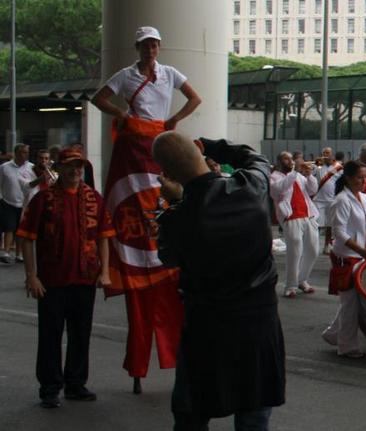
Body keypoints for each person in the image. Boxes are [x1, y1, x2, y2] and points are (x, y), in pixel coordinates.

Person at [90, 26, 201, 393]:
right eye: (146, 44)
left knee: (165, 192)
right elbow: (99, 98)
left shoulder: (169, 73)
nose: (152, 48)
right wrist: (121, 112)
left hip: (158, 137)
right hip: (135, 139)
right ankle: (130, 245)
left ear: (159, 46)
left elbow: (194, 98)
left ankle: (160, 240)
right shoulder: (126, 75)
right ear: (138, 46)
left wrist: (174, 121)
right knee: (133, 195)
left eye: (155, 43)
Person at [152, 132, 285, 430]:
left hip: (207, 327)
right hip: (258, 323)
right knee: (254, 412)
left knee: (192, 413)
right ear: (203, 157)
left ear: (169, 174)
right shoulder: (251, 187)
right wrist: (214, 147)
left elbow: (169, 257)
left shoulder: (176, 219)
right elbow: (256, 158)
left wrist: (175, 203)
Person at [16, 147, 114, 408]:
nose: (76, 170)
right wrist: (31, 276)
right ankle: (49, 388)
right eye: (70, 166)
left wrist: (104, 272)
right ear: (59, 169)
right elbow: (25, 238)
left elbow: (104, 236)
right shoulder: (44, 199)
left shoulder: (94, 198)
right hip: (52, 281)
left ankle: (75, 383)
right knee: (50, 335)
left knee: (81, 334)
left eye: (79, 166)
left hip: (85, 278)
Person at [321, 160, 366, 359]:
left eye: (365, 177)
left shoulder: (362, 197)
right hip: (348, 257)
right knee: (350, 305)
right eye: (360, 177)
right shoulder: (341, 200)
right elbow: (339, 233)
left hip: (360, 255)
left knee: (352, 303)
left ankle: (334, 334)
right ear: (349, 178)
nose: (364, 181)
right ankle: (347, 346)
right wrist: (361, 249)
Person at [270, 151, 319, 298]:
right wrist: (295, 171)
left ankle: (301, 280)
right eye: (286, 159)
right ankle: (290, 286)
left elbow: (313, 190)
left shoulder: (298, 176)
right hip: (290, 217)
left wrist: (309, 175)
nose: (290, 161)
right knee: (295, 252)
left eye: (291, 159)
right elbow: (279, 189)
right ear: (279, 161)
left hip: (308, 215)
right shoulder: (274, 177)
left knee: (313, 250)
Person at [0, 143, 35, 263]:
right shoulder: (5, 167)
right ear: (16, 153)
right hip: (7, 201)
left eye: (26, 152)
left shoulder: (31, 167)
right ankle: (6, 252)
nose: (24, 155)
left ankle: (19, 254)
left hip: (25, 203)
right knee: (9, 227)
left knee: (20, 230)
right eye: (22, 152)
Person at [313, 148, 344, 254]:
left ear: (332, 155)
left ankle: (327, 245)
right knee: (314, 224)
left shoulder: (337, 167)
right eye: (324, 153)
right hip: (318, 200)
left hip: (331, 199)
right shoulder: (318, 166)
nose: (326, 155)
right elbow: (309, 174)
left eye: (328, 153)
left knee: (329, 225)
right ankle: (313, 245)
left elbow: (343, 180)